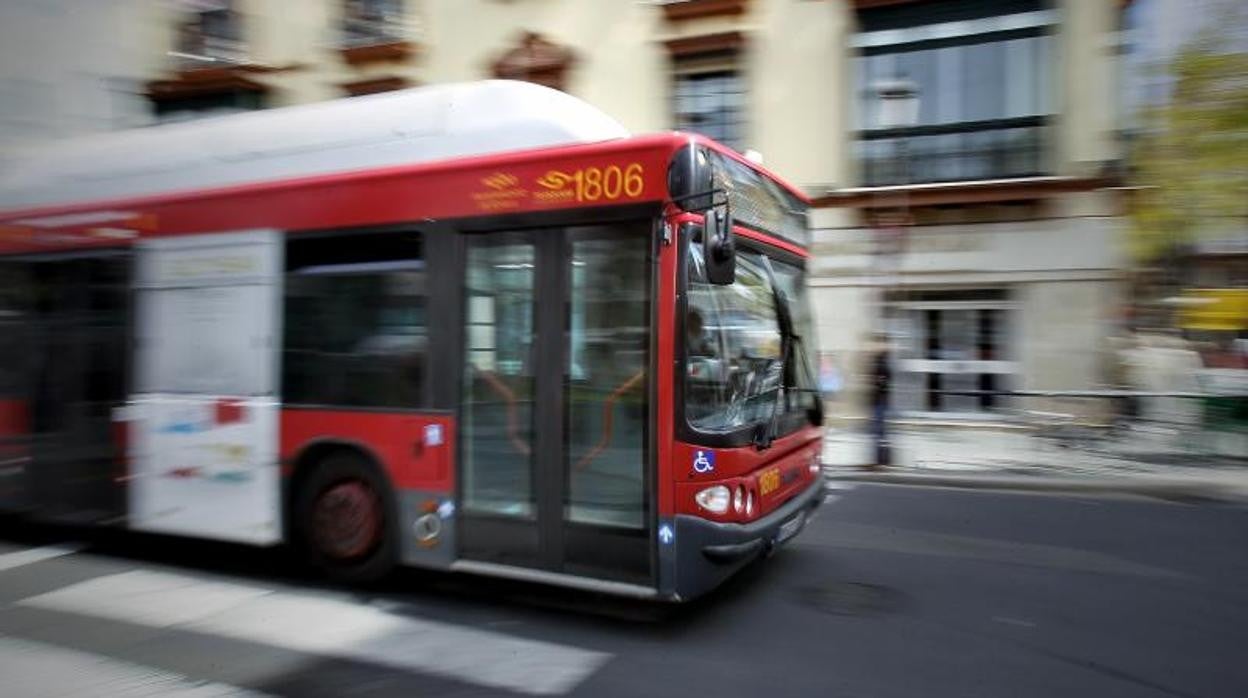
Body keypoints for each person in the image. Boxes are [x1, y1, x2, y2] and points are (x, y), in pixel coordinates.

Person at [867, 333, 892, 468]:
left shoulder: (882, 360)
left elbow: (883, 382)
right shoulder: (878, 359)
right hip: (877, 401)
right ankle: (880, 460)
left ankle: (880, 460)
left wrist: (876, 383)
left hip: (880, 401)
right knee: (878, 432)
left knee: (879, 432)